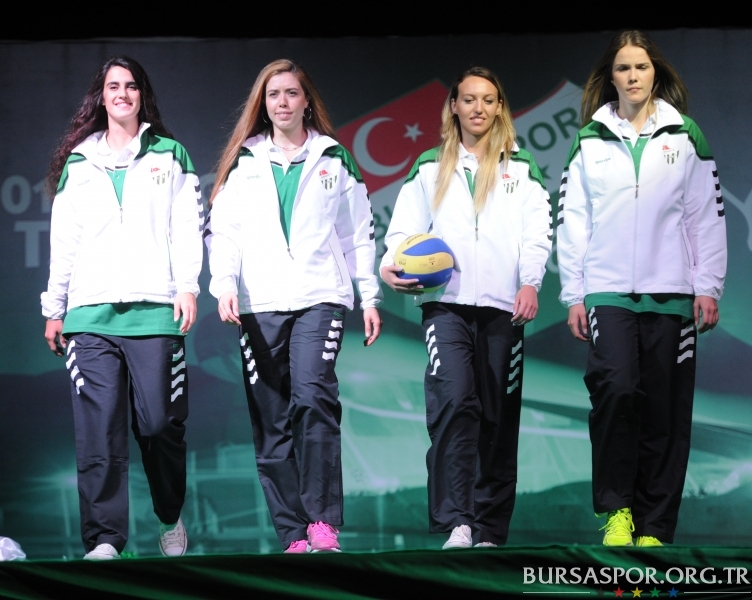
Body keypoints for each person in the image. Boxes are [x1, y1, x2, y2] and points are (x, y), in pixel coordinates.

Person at [204, 59, 382, 554]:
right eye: (273, 94)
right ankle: (292, 533)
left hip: (320, 296)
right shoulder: (244, 161)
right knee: (271, 416)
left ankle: (323, 522)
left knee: (313, 398)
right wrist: (224, 284)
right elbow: (224, 232)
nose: (282, 102)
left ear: (306, 101)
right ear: (263, 105)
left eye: (291, 93)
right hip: (258, 302)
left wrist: (369, 295)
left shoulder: (333, 158)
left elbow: (357, 234)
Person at [557, 30, 727, 547]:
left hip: (672, 291)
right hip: (607, 292)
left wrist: (707, 285)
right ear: (610, 78)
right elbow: (573, 221)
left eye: (641, 67)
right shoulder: (589, 139)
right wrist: (574, 294)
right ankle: (617, 512)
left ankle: (655, 527)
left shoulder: (684, 134)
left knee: (665, 409)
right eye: (623, 68)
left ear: (656, 73)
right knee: (617, 391)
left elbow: (706, 216)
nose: (633, 76)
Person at [380, 67, 551, 549]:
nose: (479, 108)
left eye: (488, 100)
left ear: (499, 108)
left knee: (497, 414)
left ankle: (489, 529)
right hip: (446, 307)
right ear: (453, 105)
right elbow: (403, 231)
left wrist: (530, 282)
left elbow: (537, 234)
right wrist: (390, 265)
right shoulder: (430, 167)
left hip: (504, 308)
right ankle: (457, 521)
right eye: (470, 99)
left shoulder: (522, 167)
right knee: (454, 403)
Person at [41, 56, 203, 560]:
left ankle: (169, 514)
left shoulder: (169, 154)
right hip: (89, 316)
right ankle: (106, 538)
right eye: (113, 86)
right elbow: (64, 241)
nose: (122, 94)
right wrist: (55, 306)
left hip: (155, 312)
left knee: (159, 425)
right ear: (101, 96)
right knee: (99, 432)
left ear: (141, 95)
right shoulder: (78, 162)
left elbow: (186, 227)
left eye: (131, 86)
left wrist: (188, 286)